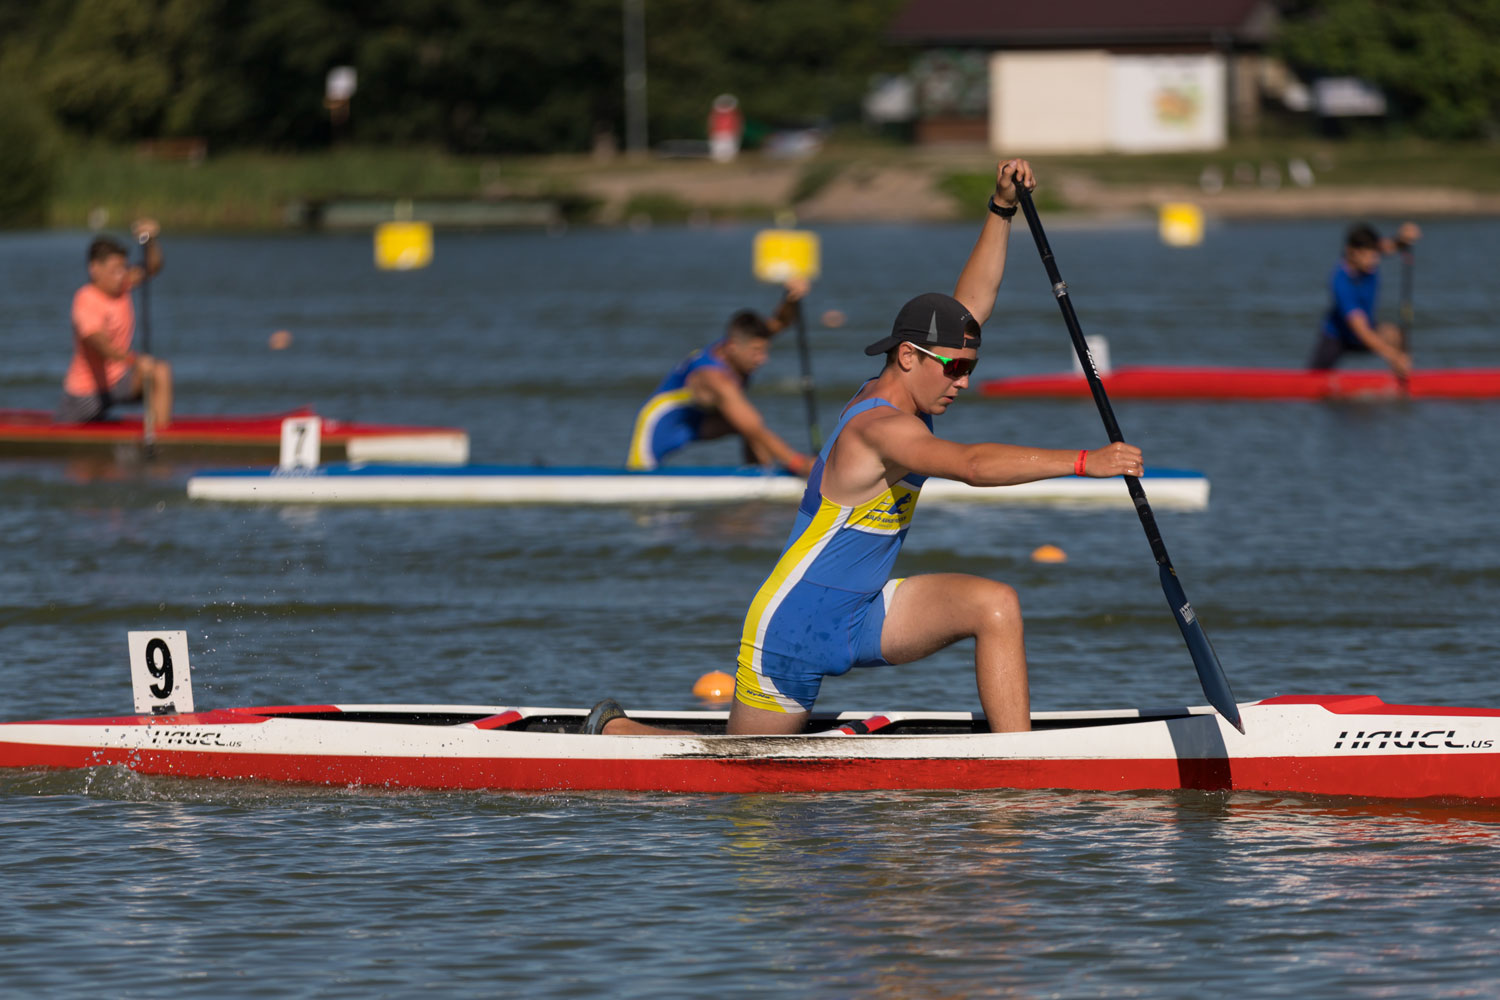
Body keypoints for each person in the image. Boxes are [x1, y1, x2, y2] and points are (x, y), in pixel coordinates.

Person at [584, 159, 1143, 738]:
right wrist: (1083, 463)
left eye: (970, 368)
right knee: (743, 779)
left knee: (995, 604)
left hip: (864, 610)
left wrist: (1000, 208)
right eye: (955, 369)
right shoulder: (879, 428)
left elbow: (971, 304)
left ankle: (1018, 766)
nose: (964, 383)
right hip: (794, 627)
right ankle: (618, 734)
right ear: (909, 357)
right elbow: (971, 466)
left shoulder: (914, 385)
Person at [626, 281, 815, 475]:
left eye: (764, 351)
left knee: (746, 428)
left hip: (699, 421)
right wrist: (800, 463)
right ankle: (781, 473)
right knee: (750, 424)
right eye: (756, 352)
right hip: (662, 424)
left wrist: (790, 299)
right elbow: (754, 424)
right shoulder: (714, 377)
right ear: (732, 348)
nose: (763, 359)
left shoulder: (743, 343)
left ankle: (759, 474)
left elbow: (780, 322)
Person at [56, 220, 172, 429]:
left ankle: (160, 436)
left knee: (160, 371)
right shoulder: (86, 299)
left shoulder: (122, 285)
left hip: (118, 381)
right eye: (114, 270)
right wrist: (133, 360)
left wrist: (151, 240)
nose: (122, 276)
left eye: (123, 268)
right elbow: (98, 343)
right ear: (94, 269)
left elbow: (152, 266)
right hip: (86, 394)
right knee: (148, 368)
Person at [1307, 221, 1421, 377]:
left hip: (1366, 329)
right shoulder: (1340, 282)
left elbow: (1390, 246)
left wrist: (1403, 238)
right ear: (1351, 252)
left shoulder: (1369, 253)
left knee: (1394, 334)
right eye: (1368, 256)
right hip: (1337, 337)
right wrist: (1393, 355)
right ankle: (1399, 363)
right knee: (1313, 379)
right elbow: (1362, 332)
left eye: (1375, 255)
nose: (1374, 261)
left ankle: (1402, 377)